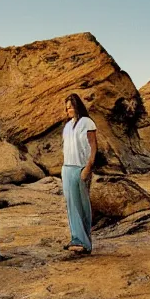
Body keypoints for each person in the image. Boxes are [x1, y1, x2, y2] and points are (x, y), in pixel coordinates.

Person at [62, 93, 98, 254]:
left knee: (82, 205)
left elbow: (93, 146)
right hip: (67, 168)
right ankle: (76, 238)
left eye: (70, 106)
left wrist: (88, 167)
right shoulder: (68, 125)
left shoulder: (87, 122)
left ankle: (85, 242)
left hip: (81, 167)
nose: (68, 110)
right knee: (71, 205)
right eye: (67, 107)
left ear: (77, 106)